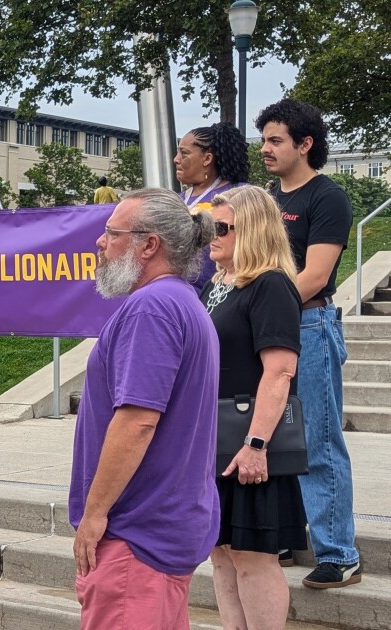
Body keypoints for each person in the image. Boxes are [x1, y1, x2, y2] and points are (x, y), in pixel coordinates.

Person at [70, 188, 219, 629]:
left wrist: (94, 514)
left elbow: (137, 422)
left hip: (135, 537)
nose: (101, 242)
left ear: (148, 244)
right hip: (157, 531)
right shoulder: (181, 301)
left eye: (112, 233)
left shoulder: (152, 308)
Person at [257, 98, 360, 588]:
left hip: (310, 328)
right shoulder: (266, 201)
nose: (265, 149)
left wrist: (265, 307)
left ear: (305, 144)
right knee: (265, 435)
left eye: (276, 140)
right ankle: (278, 535)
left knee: (317, 441)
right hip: (266, 328)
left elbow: (316, 275)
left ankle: (338, 554)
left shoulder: (327, 197)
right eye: (263, 140)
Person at [201, 185, 308, 628]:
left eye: (222, 227)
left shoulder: (271, 285)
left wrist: (257, 443)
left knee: (252, 557)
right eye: (211, 225)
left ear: (253, 231)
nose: (212, 234)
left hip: (248, 441)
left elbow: (280, 371)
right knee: (222, 553)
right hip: (217, 439)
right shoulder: (219, 283)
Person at [174, 121, 251, 291]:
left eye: (184, 153)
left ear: (207, 158)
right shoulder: (176, 200)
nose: (176, 160)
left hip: (223, 296)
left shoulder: (239, 194)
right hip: (178, 296)